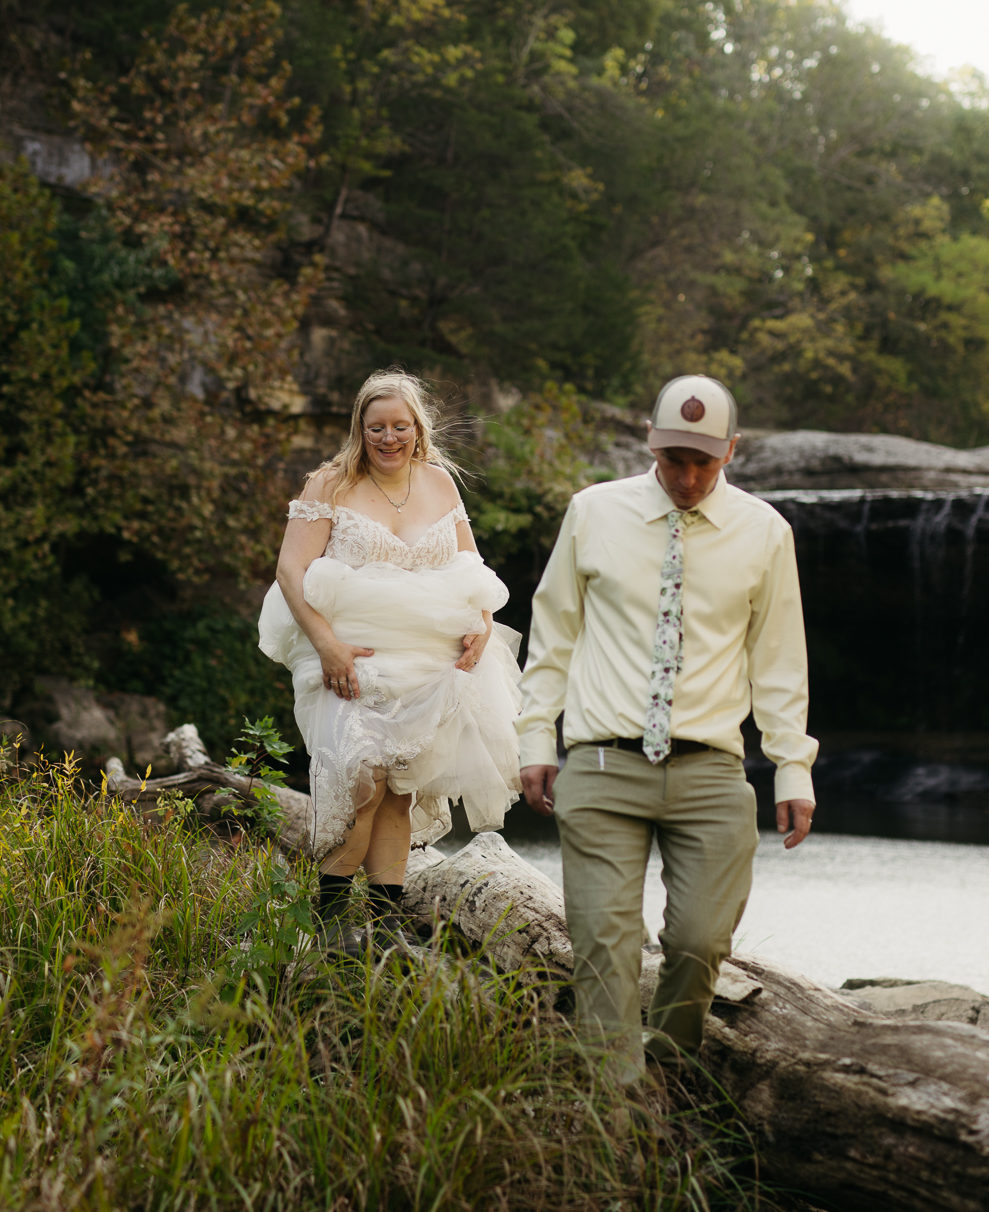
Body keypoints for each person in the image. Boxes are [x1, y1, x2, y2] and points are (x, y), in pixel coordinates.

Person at [517, 373, 817, 1080]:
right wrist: (536, 737)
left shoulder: (766, 532)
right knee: (603, 945)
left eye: (702, 462)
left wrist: (792, 766)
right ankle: (613, 1114)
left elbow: (778, 662)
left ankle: (667, 1070)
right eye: (673, 458)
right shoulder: (593, 512)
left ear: (731, 451)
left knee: (699, 940)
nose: (685, 477)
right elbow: (553, 633)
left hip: (711, 771)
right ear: (649, 443)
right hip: (600, 764)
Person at [259, 369, 523, 939]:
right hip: (353, 661)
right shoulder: (329, 483)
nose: (388, 438)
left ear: (416, 427)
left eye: (399, 426)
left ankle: (384, 931)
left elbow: (469, 565)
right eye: (376, 427)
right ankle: (328, 929)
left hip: (431, 665)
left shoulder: (439, 483)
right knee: (363, 785)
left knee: (400, 792)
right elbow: (289, 569)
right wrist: (327, 646)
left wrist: (482, 623)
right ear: (360, 427)